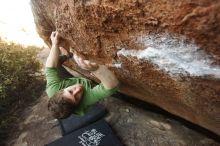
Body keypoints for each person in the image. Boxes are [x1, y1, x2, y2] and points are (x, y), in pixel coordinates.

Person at [46, 31, 119, 119]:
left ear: (60, 90)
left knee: (56, 66)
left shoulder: (52, 89)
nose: (78, 90)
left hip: (65, 81)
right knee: (101, 83)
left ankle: (67, 55)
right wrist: (96, 69)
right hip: (88, 88)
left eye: (71, 92)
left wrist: (55, 44)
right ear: (77, 104)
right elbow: (111, 87)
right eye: (76, 97)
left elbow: (50, 68)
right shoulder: (85, 100)